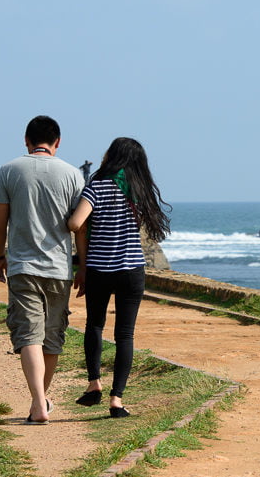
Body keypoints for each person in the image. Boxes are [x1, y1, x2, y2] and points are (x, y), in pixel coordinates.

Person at [67, 137, 170, 418]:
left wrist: (71, 225)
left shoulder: (97, 186)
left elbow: (77, 223)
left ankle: (94, 385)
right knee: (125, 334)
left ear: (112, 157)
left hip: (99, 270)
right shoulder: (138, 191)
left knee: (95, 326)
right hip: (131, 271)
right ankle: (117, 400)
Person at [0, 115, 83, 425]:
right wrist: (80, 264)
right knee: (52, 336)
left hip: (22, 266)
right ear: (57, 143)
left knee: (29, 335)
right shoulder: (72, 175)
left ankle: (37, 403)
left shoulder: (9, 170)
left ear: (27, 141)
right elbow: (81, 228)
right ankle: (40, 400)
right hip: (59, 268)